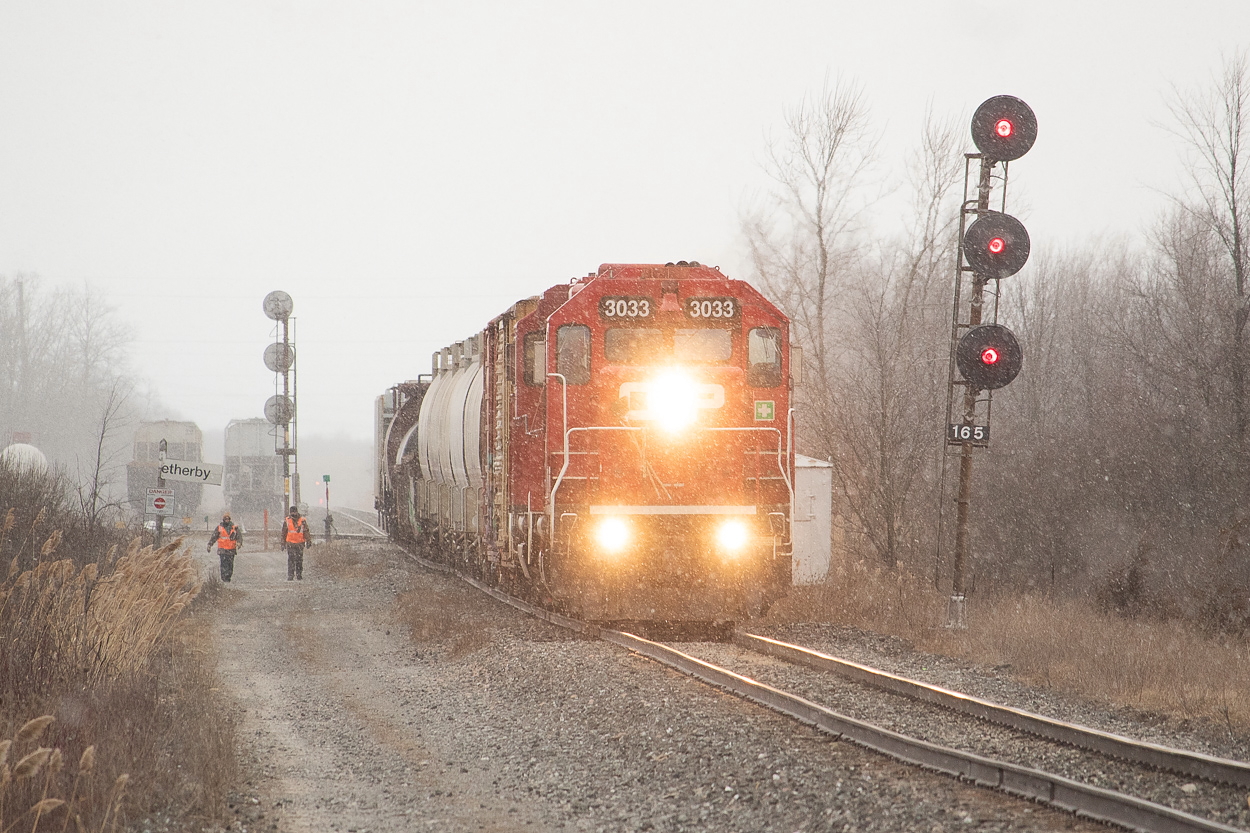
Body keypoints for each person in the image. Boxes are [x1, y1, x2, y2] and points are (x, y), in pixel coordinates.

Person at [207, 512, 242, 582]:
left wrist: (239, 543)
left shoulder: (234, 528)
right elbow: (214, 537)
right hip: (222, 550)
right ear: (223, 519)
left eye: (228, 518)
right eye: (225, 518)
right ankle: (224, 579)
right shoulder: (219, 528)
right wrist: (209, 545)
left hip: (231, 550)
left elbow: (239, 536)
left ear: (229, 519)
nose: (227, 520)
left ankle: (228, 577)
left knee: (230, 566)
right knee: (224, 565)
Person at [283, 505, 312, 581]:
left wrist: (308, 541)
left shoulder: (302, 521)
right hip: (290, 543)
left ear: (297, 512)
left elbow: (306, 531)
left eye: (294, 512)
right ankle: (290, 575)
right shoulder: (287, 520)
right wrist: (282, 543)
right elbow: (284, 533)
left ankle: (299, 575)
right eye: (292, 512)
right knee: (291, 559)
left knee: (299, 560)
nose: (293, 514)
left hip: (300, 543)